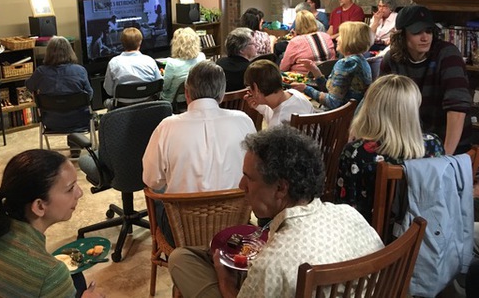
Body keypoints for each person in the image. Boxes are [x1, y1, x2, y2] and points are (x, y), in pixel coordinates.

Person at [168, 125, 384, 298]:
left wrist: (226, 282)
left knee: (180, 259)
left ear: (280, 188)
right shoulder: (351, 215)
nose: (242, 185)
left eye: (249, 178)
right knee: (189, 255)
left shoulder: (272, 264)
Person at [0, 149, 104, 298]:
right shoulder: (50, 274)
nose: (80, 193)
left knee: (75, 278)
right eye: (70, 189)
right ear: (39, 206)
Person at [143, 61, 256, 243]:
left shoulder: (166, 127)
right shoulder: (244, 121)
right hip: (234, 228)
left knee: (157, 195)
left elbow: (151, 180)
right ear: (221, 95)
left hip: (182, 233)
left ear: (187, 93)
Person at [335, 74, 445, 223]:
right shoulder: (434, 144)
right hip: (424, 235)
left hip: (369, 238)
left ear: (370, 107)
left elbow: (345, 210)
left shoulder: (356, 152)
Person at [380, 5, 472, 154]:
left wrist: (445, 157)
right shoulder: (392, 59)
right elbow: (378, 100)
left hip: (448, 142)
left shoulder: (447, 54)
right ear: (402, 35)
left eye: (429, 31)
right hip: (409, 140)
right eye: (417, 32)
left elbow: (457, 107)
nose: (425, 37)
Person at [292, 21, 372, 109]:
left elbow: (332, 102)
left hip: (338, 118)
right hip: (350, 114)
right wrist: (315, 70)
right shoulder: (361, 61)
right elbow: (334, 91)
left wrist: (306, 89)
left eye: (341, 35)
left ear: (349, 39)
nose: (337, 39)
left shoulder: (346, 64)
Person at [26, 36, 93, 131]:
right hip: (80, 120)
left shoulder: (40, 72)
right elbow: (89, 95)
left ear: (48, 53)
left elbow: (29, 86)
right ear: (70, 51)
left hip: (51, 122)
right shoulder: (80, 70)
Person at [244, 60, 315, 127]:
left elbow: (277, 117)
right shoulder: (294, 93)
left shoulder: (277, 123)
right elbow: (275, 111)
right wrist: (259, 106)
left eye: (249, 88)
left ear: (256, 89)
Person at [103, 27, 161, 106]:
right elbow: (159, 84)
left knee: (106, 102)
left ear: (122, 43)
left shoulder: (113, 63)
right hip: (147, 105)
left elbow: (109, 91)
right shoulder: (150, 61)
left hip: (123, 106)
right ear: (140, 42)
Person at [160, 27, 205, 102]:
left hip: (174, 101)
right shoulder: (201, 57)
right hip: (194, 98)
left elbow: (165, 87)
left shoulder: (172, 64)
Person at [216, 28, 257, 92]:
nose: (256, 45)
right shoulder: (251, 69)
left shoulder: (219, 64)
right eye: (253, 43)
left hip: (220, 101)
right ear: (241, 50)